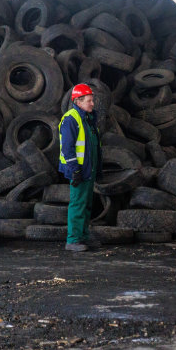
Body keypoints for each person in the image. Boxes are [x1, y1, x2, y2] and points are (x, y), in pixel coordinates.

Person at [58, 83, 102, 252]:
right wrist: (74, 170)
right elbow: (67, 148)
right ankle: (73, 240)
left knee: (87, 204)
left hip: (88, 169)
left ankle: (83, 236)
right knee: (78, 204)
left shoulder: (88, 119)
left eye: (92, 100)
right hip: (79, 171)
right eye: (89, 101)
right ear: (78, 101)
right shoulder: (71, 119)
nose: (92, 104)